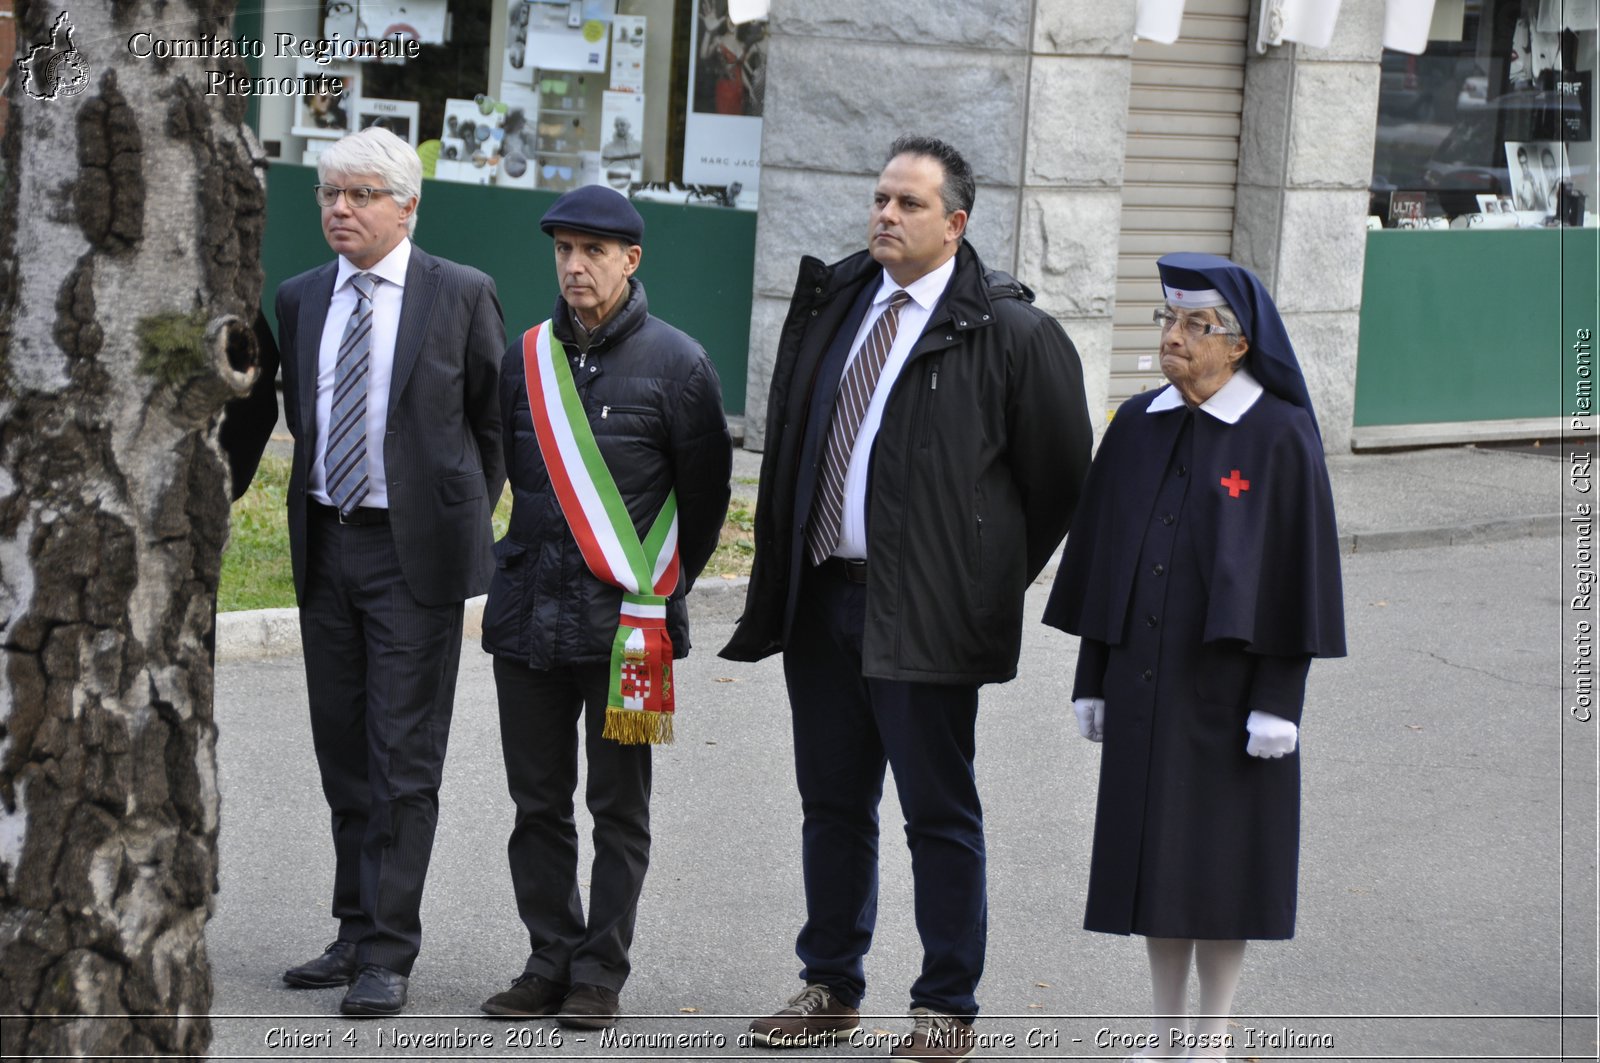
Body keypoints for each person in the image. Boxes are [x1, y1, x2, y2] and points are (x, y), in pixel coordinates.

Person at [721, 136, 1093, 1060]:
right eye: (881, 198)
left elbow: (1058, 482)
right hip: (824, 603)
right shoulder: (843, 299)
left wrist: (976, 578)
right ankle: (830, 986)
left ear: (956, 224)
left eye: (909, 204)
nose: (885, 214)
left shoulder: (1009, 331)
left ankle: (944, 1008)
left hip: (924, 614)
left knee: (938, 813)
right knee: (832, 805)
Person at [1041, 253, 1346, 1061]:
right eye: (1167, 320)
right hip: (1145, 685)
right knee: (1156, 864)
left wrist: (1281, 700)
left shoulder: (1280, 435)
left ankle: (1212, 1035)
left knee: (1220, 866)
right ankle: (1164, 1030)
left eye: (1194, 325)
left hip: (1234, 696)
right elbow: (1101, 558)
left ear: (1239, 344)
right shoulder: (1137, 423)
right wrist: (1092, 679)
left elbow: (1299, 576)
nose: (1173, 338)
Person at [237, 126, 506, 1017]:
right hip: (327, 544)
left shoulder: (460, 294)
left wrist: (453, 513)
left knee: (404, 757)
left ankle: (390, 949)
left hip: (410, 556)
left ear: (408, 204)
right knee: (343, 751)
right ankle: (353, 928)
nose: (339, 210)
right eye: (329, 195)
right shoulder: (302, 297)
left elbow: (491, 424)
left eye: (360, 195)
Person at [478, 185, 732, 1029]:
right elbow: (498, 465)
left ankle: (600, 971)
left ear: (632, 259)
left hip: (632, 627)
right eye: (564, 251)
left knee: (619, 807)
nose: (575, 265)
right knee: (536, 804)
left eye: (594, 251)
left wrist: (653, 590)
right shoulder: (524, 358)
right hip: (525, 620)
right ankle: (548, 957)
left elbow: (703, 504)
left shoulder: (681, 362)